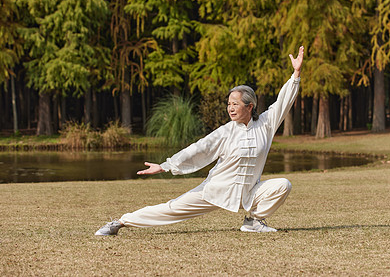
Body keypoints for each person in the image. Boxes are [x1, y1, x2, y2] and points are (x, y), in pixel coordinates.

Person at [95, 46, 304, 236]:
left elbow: (283, 102)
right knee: (173, 208)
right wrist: (166, 166)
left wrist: (295, 74)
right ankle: (120, 222)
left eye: (235, 104)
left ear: (249, 106)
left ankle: (253, 221)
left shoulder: (266, 124)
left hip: (249, 192)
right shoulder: (225, 132)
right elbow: (198, 149)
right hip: (216, 190)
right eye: (228, 104)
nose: (230, 108)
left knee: (283, 185)